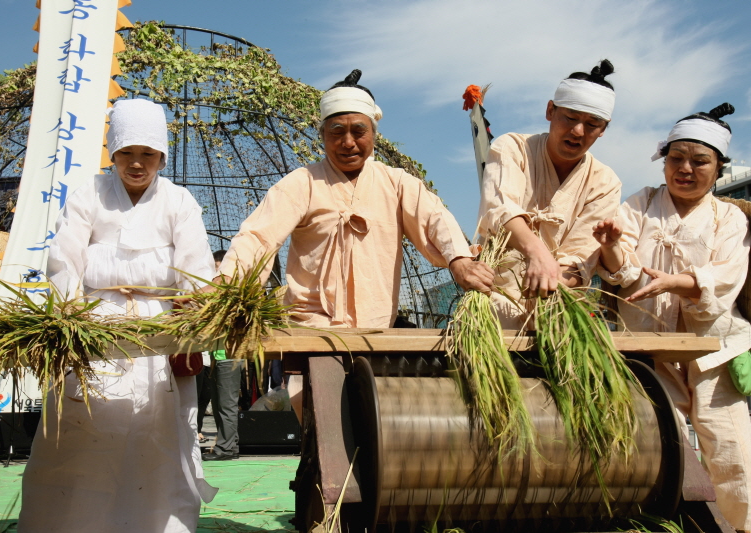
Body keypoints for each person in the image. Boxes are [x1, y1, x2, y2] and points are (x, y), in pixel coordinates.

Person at [18, 99, 218, 533]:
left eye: (148, 154)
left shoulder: (179, 201)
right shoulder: (88, 194)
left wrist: (188, 315)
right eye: (127, 153)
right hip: (93, 328)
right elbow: (64, 263)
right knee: (83, 434)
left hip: (158, 334)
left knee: (156, 435)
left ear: (161, 157)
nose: (137, 164)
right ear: (113, 154)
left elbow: (196, 270)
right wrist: (72, 321)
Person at [217, 69, 494, 329]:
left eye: (358, 132)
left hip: (376, 329)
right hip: (312, 328)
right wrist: (227, 284)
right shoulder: (301, 183)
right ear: (322, 136)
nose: (348, 142)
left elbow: (435, 218)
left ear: (374, 134)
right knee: (327, 379)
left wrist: (459, 260)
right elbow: (259, 236)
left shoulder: (397, 183)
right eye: (337, 132)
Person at [593, 103, 751, 532]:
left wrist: (675, 282)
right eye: (675, 158)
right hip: (649, 355)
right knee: (662, 447)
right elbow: (622, 270)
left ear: (718, 168)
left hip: (714, 355)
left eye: (699, 161)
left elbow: (725, 279)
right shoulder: (640, 205)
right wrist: (608, 246)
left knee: (733, 452)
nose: (685, 168)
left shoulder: (729, 218)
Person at [477, 60, 621, 329]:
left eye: (592, 124)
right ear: (550, 110)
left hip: (559, 307)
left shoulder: (605, 182)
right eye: (570, 117)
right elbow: (499, 208)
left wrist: (549, 282)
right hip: (495, 297)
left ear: (603, 130)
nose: (578, 131)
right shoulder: (512, 148)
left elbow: (581, 256)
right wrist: (537, 253)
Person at [202, 249, 244, 461]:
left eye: (219, 267)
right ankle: (229, 444)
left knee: (227, 405)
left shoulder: (236, 297)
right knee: (219, 404)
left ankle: (226, 448)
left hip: (229, 358)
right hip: (216, 357)